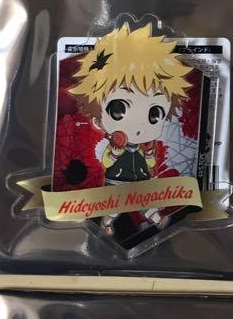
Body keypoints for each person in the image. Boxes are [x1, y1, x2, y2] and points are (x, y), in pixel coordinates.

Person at [69, 23, 193, 234]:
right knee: (113, 207)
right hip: (116, 181)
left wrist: (150, 153)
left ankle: (157, 219)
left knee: (147, 204)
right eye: (119, 109)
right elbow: (107, 162)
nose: (138, 125)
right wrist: (116, 151)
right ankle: (107, 223)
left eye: (155, 113)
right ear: (98, 120)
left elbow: (150, 164)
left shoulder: (143, 146)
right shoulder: (113, 146)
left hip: (141, 180)